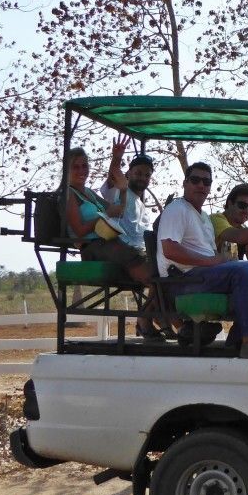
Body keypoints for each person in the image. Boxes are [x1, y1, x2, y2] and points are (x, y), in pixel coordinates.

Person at [156, 162, 248, 361]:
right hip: (182, 281)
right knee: (242, 270)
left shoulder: (203, 217)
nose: (201, 185)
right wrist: (212, 261)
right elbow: (169, 250)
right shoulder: (177, 209)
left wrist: (220, 261)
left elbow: (217, 253)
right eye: (195, 180)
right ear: (185, 183)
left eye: (206, 182)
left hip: (202, 278)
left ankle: (236, 342)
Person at [97, 135, 169, 341]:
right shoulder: (119, 191)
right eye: (138, 173)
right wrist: (116, 157)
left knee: (171, 272)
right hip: (125, 252)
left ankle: (162, 318)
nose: (142, 178)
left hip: (143, 252)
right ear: (128, 173)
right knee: (158, 277)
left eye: (147, 175)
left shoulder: (141, 204)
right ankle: (145, 320)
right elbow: (113, 176)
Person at [64, 141, 152, 290]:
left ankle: (154, 305)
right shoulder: (68, 194)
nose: (81, 170)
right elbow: (79, 231)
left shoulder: (89, 193)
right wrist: (116, 158)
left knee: (153, 264)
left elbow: (118, 210)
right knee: (146, 270)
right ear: (67, 169)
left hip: (110, 243)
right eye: (76, 167)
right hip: (94, 248)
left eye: (84, 166)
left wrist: (123, 190)